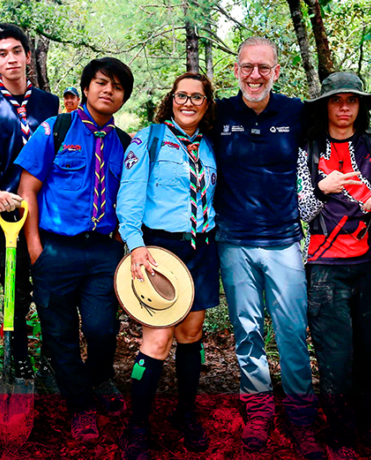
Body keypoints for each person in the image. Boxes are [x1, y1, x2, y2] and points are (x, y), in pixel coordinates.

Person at [207, 36, 321, 459]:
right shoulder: (218, 113)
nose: (255, 75)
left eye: (263, 67)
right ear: (235, 70)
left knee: (291, 330)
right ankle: (257, 409)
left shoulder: (297, 112)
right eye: (247, 67)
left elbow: (343, 129)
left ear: (276, 71)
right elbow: (175, 130)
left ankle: (302, 416)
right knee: (247, 330)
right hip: (233, 240)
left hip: (284, 240)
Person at [15, 57, 133, 443]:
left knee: (102, 328)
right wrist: (35, 247)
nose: (107, 91)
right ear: (85, 88)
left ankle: (99, 378)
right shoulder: (55, 129)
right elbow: (27, 190)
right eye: (100, 83)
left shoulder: (125, 144)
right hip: (55, 250)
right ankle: (79, 404)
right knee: (60, 333)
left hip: (102, 253)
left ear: (122, 98)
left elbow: (128, 200)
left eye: (116, 87)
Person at [294, 71, 371, 460]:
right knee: (333, 353)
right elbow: (301, 209)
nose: (344, 107)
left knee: (366, 349)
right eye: (337, 100)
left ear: (360, 106)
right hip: (324, 266)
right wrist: (322, 190)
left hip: (370, 263)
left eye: (352, 100)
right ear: (325, 105)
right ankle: (339, 434)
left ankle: (369, 428)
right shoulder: (306, 149)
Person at [114, 72, 218, 460]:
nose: (188, 102)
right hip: (160, 250)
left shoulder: (210, 146)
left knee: (191, 335)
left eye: (197, 97)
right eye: (181, 96)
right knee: (156, 341)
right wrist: (135, 245)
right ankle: (137, 423)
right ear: (170, 99)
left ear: (207, 104)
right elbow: (129, 195)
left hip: (202, 249)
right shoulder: (150, 139)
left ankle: (185, 412)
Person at [0, 23, 60, 377]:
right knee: (16, 289)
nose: (10, 59)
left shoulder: (51, 103)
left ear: (28, 55)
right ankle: (20, 357)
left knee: (53, 288)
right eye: (1, 54)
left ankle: (54, 356)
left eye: (15, 51)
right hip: (12, 213)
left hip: (51, 210)